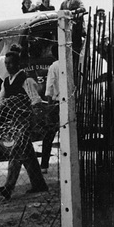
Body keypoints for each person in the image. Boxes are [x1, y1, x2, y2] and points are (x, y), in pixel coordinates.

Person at [0, 50, 48, 200]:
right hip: (13, 122)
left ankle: (8, 188)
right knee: (27, 154)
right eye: (6, 63)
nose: (9, 66)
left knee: (15, 152)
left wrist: (32, 120)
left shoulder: (26, 80)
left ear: (18, 64)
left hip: (24, 121)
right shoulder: (6, 82)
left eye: (11, 63)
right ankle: (39, 184)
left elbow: (35, 101)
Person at [41, 44, 61, 173]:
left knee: (49, 135)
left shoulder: (54, 66)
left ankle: (44, 165)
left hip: (56, 103)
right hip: (68, 103)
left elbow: (50, 87)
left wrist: (49, 105)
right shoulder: (71, 63)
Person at [60, 0, 86, 67]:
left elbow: (83, 8)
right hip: (67, 27)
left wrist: (73, 12)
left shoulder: (76, 1)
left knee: (76, 46)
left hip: (76, 26)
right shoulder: (63, 3)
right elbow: (60, 12)